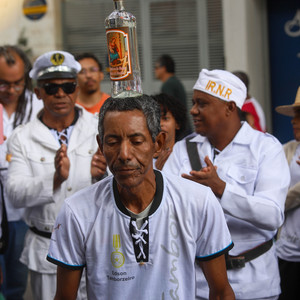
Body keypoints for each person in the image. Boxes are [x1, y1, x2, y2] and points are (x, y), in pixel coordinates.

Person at [47, 95, 235, 299]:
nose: (124, 154)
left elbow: (221, 292)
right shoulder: (77, 211)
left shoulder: (198, 201)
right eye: (112, 142)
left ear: (158, 143)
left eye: (136, 141)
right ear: (101, 146)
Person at [163, 69, 290, 300]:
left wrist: (221, 190)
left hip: (255, 285)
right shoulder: (184, 149)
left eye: (202, 104)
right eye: (193, 103)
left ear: (230, 108)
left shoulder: (265, 149)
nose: (193, 110)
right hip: (199, 285)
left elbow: (273, 215)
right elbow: (166, 209)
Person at [5, 50, 106, 300]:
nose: (60, 94)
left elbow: (123, 185)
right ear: (38, 93)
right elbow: (15, 194)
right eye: (51, 88)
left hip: (97, 247)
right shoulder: (22, 136)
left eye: (68, 86)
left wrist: (99, 177)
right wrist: (55, 179)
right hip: (46, 252)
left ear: (77, 89)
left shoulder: (99, 127)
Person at [0, 45, 43, 300]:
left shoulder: (37, 105)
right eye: (3, 84)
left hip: (21, 210)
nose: (12, 90)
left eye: (17, 83)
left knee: (16, 281)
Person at [275, 86, 300, 300]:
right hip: (288, 251)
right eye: (294, 117)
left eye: (299, 116)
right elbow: (276, 197)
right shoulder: (287, 149)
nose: (294, 121)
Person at [151, 93, 187, 170]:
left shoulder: (187, 154)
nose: (160, 124)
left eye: (165, 118)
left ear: (177, 124)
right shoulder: (142, 157)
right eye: (155, 119)